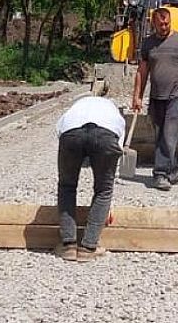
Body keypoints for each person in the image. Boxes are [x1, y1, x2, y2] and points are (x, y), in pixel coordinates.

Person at [132, 8, 178, 191]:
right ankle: (173, 169)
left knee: (169, 134)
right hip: (156, 96)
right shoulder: (148, 44)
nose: (164, 27)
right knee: (161, 135)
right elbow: (142, 71)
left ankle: (160, 174)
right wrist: (137, 96)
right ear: (153, 23)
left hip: (177, 95)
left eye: (167, 23)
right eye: (160, 24)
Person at [54, 96, 126, 262]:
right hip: (107, 134)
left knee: (67, 186)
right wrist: (107, 207)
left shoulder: (75, 108)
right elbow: (118, 145)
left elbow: (60, 132)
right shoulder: (114, 113)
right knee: (103, 189)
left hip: (70, 132)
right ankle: (88, 247)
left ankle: (68, 245)